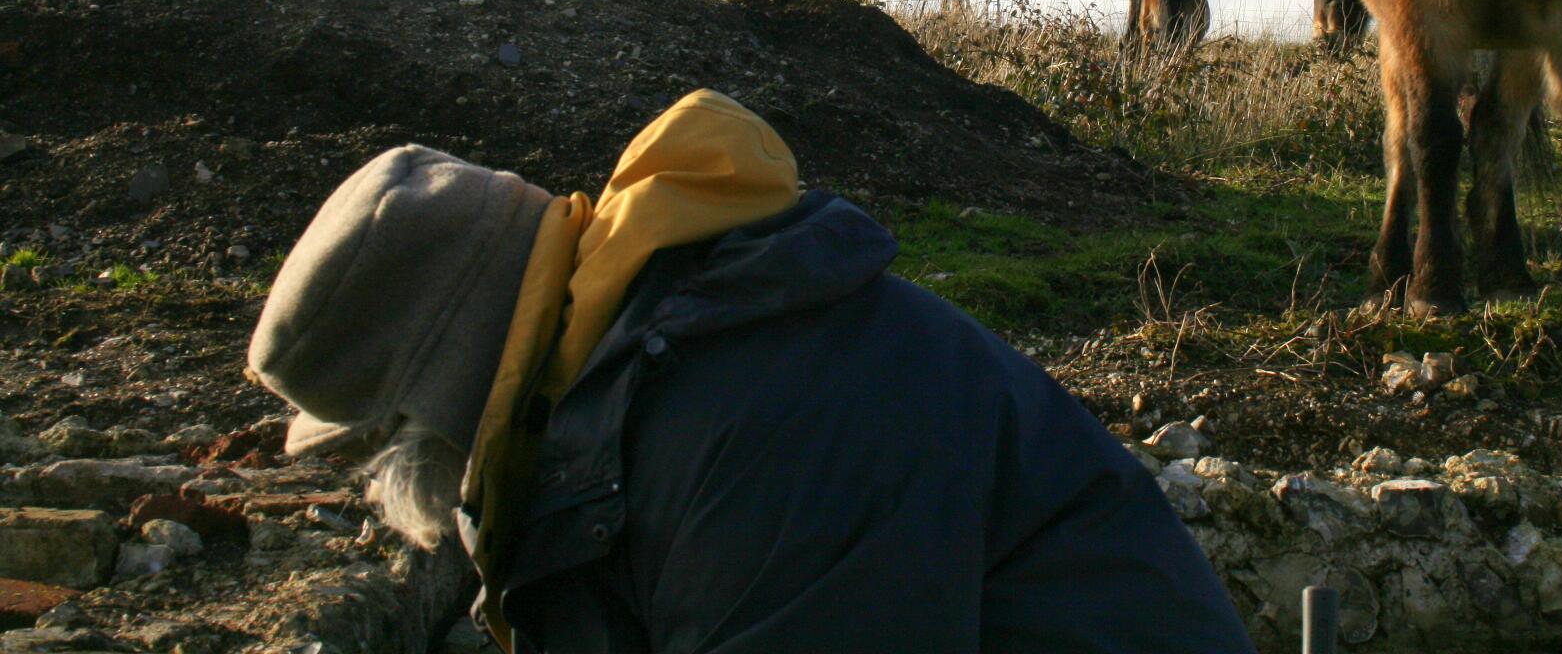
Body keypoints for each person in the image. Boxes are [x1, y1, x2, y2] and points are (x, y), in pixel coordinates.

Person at [248, 89, 1256, 653]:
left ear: (442, 400)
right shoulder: (631, 387)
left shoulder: (742, 419)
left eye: (376, 446)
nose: (384, 491)